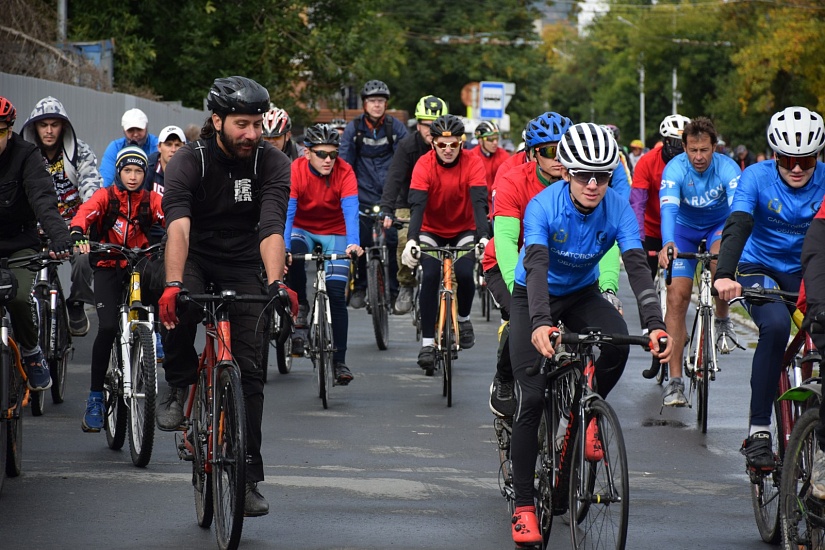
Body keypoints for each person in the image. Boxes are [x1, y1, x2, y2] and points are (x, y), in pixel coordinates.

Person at [507, 123, 672, 546]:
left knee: (617, 343)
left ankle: (589, 415)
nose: (594, 184)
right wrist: (541, 323)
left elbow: (637, 265)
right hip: (535, 296)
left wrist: (655, 323)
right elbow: (537, 268)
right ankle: (524, 505)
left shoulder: (617, 207)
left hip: (582, 292)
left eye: (602, 174)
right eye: (584, 175)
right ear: (567, 173)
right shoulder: (543, 207)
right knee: (531, 396)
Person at [156, 76, 291, 516]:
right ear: (217, 121)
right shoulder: (187, 161)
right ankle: (177, 384)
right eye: (241, 124)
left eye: (256, 124)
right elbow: (177, 226)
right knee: (182, 305)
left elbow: (272, 226)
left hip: (243, 257)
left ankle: (248, 477)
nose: (251, 134)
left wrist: (275, 284)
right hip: (193, 252)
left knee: (251, 373)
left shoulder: (272, 162)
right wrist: (173, 286)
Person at [714, 107, 825, 473]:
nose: (796, 168)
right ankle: (760, 428)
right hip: (759, 266)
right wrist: (725, 274)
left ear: (818, 156)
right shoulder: (755, 178)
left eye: (805, 160)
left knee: (819, 332)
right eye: (786, 158)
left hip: (808, 269)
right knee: (776, 326)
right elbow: (739, 223)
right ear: (773, 155)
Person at [484, 111, 572, 418]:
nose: (559, 158)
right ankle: (504, 378)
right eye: (550, 151)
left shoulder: (579, 183)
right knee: (518, 316)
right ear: (533, 153)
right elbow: (506, 242)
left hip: (554, 267)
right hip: (507, 265)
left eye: (564, 149)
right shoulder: (511, 179)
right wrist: (516, 288)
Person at [69, 147, 164, 432]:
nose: (133, 177)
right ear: (119, 173)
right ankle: (95, 397)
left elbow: (173, 214)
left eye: (138, 171)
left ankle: (153, 336)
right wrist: (77, 232)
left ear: (145, 174)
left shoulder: (152, 200)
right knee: (108, 327)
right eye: (127, 171)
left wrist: (181, 232)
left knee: (165, 282)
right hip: (108, 264)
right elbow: (85, 214)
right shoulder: (106, 197)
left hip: (139, 263)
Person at [658, 116, 742, 407]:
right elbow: (668, 211)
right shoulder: (675, 169)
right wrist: (668, 243)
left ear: (714, 148)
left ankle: (722, 318)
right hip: (683, 230)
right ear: (684, 147)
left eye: (704, 150)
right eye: (692, 150)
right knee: (677, 297)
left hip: (718, 226)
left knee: (722, 264)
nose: (698, 157)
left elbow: (737, 213)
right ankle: (675, 380)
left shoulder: (728, 168)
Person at [400, 114, 489, 371]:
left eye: (453, 144)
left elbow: (479, 202)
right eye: (442, 145)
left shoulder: (473, 162)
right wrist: (412, 240)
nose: (448, 150)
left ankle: (463, 319)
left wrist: (483, 236)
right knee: (429, 276)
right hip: (431, 229)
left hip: (464, 228)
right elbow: (416, 206)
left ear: (461, 143)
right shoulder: (423, 164)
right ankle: (428, 343)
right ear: (433, 144)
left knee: (463, 272)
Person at [0, 96, 74, 391]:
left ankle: (31, 353)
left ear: (10, 129)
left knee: (17, 297)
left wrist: (60, 237)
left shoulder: (27, 155)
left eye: (0, 130)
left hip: (21, 243)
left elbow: (43, 199)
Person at [284, 124, 363, 384]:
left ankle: (339, 361)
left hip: (336, 232)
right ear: (306, 153)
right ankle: (302, 308)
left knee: (337, 294)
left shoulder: (345, 171)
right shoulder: (295, 170)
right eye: (321, 154)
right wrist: (283, 247)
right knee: (293, 255)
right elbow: (288, 213)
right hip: (302, 228)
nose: (328, 159)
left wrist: (353, 243)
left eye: (333, 154)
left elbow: (351, 210)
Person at [20, 96, 103, 336]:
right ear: (34, 126)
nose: (48, 131)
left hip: (72, 225)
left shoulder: (80, 151)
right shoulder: (24, 153)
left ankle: (76, 303)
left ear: (63, 127)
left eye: (54, 125)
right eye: (43, 124)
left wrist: (84, 223)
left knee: (83, 256)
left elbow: (91, 187)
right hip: (33, 224)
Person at [339, 80, 407, 309]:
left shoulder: (395, 127)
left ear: (386, 104)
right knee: (362, 241)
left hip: (390, 194)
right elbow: (345, 163)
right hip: (362, 193)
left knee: (391, 240)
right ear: (364, 104)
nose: (377, 105)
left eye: (380, 101)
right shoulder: (354, 128)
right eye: (372, 101)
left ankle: (395, 291)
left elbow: (404, 161)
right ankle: (359, 287)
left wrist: (400, 196)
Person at [379, 95, 448, 314]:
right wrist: (387, 208)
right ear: (418, 125)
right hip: (407, 203)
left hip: (439, 205)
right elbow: (394, 178)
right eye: (426, 125)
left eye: (435, 125)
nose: (430, 130)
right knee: (403, 239)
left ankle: (451, 300)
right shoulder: (407, 146)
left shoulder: (449, 147)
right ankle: (406, 285)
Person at [629, 114, 691, 277]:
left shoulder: (694, 163)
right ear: (666, 141)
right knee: (644, 278)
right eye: (677, 142)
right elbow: (637, 203)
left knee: (678, 279)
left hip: (679, 227)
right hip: (651, 229)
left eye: (685, 143)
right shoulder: (647, 162)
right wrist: (638, 238)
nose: (681, 148)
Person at [466, 120, 510, 232]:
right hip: (475, 208)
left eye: (497, 138)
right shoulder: (471, 156)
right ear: (480, 140)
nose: (495, 142)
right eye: (490, 139)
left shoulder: (504, 156)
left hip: (497, 206)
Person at [144, 125, 186, 242]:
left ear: (185, 147)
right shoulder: (147, 168)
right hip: (151, 229)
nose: (173, 149)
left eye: (177, 145)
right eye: (168, 144)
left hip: (181, 228)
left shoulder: (192, 170)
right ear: (159, 147)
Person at [100, 108, 159, 187]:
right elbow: (105, 178)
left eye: (139, 129)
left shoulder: (157, 145)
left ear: (146, 128)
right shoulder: (115, 147)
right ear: (124, 130)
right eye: (130, 130)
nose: (135, 134)